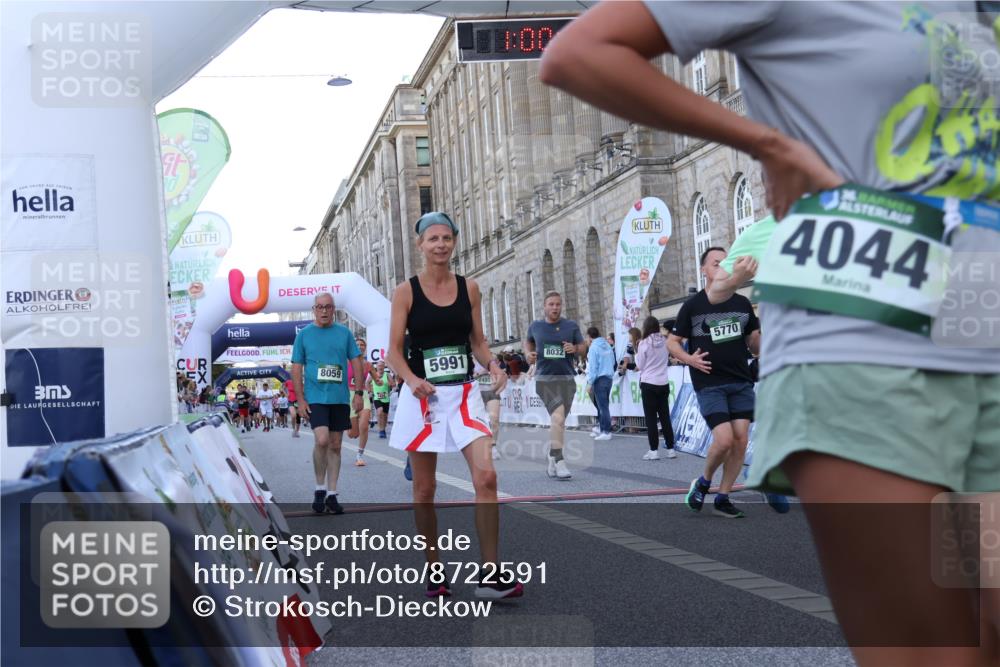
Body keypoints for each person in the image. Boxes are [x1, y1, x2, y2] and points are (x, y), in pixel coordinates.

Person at [542, 3, 1000, 662]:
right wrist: (767, 143)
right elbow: (581, 52)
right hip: (861, 351)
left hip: (983, 340)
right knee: (935, 649)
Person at [385, 211, 522, 600]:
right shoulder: (406, 292)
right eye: (433, 239)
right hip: (423, 398)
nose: (440, 245)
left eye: (446, 238)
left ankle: (490, 574)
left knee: (487, 478)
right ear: (420, 245)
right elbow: (393, 351)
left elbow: (477, 342)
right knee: (424, 489)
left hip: (463, 395)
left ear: (455, 241)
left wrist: (493, 365)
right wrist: (411, 380)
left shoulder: (469, 288)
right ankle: (434, 568)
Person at [666, 247, 760, 518]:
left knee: (740, 440)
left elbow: (754, 346)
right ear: (704, 271)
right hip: (710, 382)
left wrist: (761, 335)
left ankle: (723, 497)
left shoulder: (742, 303)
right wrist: (689, 359)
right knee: (724, 439)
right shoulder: (693, 306)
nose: (723, 267)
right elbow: (672, 342)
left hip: (740, 380)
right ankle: (704, 481)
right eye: (717, 264)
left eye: (726, 262)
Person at [292, 292, 364, 515]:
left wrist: (359, 392)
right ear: (314, 309)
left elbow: (356, 361)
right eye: (320, 307)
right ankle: (319, 488)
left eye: (328, 307)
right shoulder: (304, 335)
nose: (324, 311)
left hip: (339, 397)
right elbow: (296, 368)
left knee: (335, 445)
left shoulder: (344, 333)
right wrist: (300, 399)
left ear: (334, 310)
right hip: (315, 397)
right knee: (322, 440)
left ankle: (332, 494)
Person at [525, 291, 586, 480]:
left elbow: (583, 347)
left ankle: (552, 454)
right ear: (544, 306)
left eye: (558, 304)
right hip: (545, 379)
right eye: (551, 304)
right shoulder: (536, 326)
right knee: (558, 416)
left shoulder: (571, 326)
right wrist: (528, 354)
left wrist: (575, 348)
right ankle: (560, 461)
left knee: (559, 422)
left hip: (567, 379)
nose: (555, 307)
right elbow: (528, 343)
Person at [635, 315, 677, 460]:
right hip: (663, 382)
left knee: (651, 418)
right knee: (665, 417)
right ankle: (671, 449)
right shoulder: (665, 341)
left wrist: (637, 354)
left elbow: (640, 365)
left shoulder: (644, 343)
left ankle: (653, 451)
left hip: (649, 382)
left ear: (646, 327)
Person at [585, 327, 615, 441]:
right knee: (602, 405)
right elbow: (613, 361)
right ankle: (601, 428)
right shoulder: (607, 344)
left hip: (599, 379)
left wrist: (589, 383)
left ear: (589, 337)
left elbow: (593, 367)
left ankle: (606, 431)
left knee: (602, 406)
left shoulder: (593, 347)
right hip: (608, 378)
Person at [473, 347, 503, 460]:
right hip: (477, 392)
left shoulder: (492, 358)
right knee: (478, 421)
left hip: (491, 390)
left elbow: (500, 373)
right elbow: (470, 377)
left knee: (494, 419)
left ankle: (493, 446)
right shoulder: (471, 359)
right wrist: (479, 373)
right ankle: (478, 445)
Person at [347, 339, 373, 467]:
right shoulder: (346, 362)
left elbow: (376, 378)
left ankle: (359, 455)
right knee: (353, 434)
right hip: (349, 395)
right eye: (357, 344)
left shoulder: (368, 364)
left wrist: (378, 381)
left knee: (364, 426)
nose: (360, 346)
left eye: (362, 345)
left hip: (363, 394)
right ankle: (349, 427)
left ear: (365, 348)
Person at [370, 361, 392, 440]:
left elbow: (393, 384)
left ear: (384, 367)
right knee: (379, 411)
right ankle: (381, 430)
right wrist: (371, 391)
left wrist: (389, 385)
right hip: (377, 398)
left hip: (386, 398)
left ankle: (383, 429)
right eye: (379, 365)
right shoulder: (373, 375)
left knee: (385, 416)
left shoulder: (387, 375)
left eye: (382, 366)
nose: (380, 367)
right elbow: (367, 383)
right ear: (376, 367)